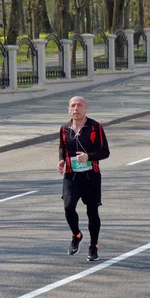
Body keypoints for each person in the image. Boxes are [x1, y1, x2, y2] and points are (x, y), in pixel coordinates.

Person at [58, 96, 110, 262]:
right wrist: (61, 160)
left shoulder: (95, 127)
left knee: (92, 211)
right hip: (71, 176)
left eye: (79, 105)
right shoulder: (64, 128)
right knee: (68, 207)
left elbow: (105, 152)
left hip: (91, 175)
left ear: (85, 109)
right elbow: (62, 147)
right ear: (69, 109)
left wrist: (89, 157)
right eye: (73, 105)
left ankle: (93, 246)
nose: (76, 108)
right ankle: (76, 235)